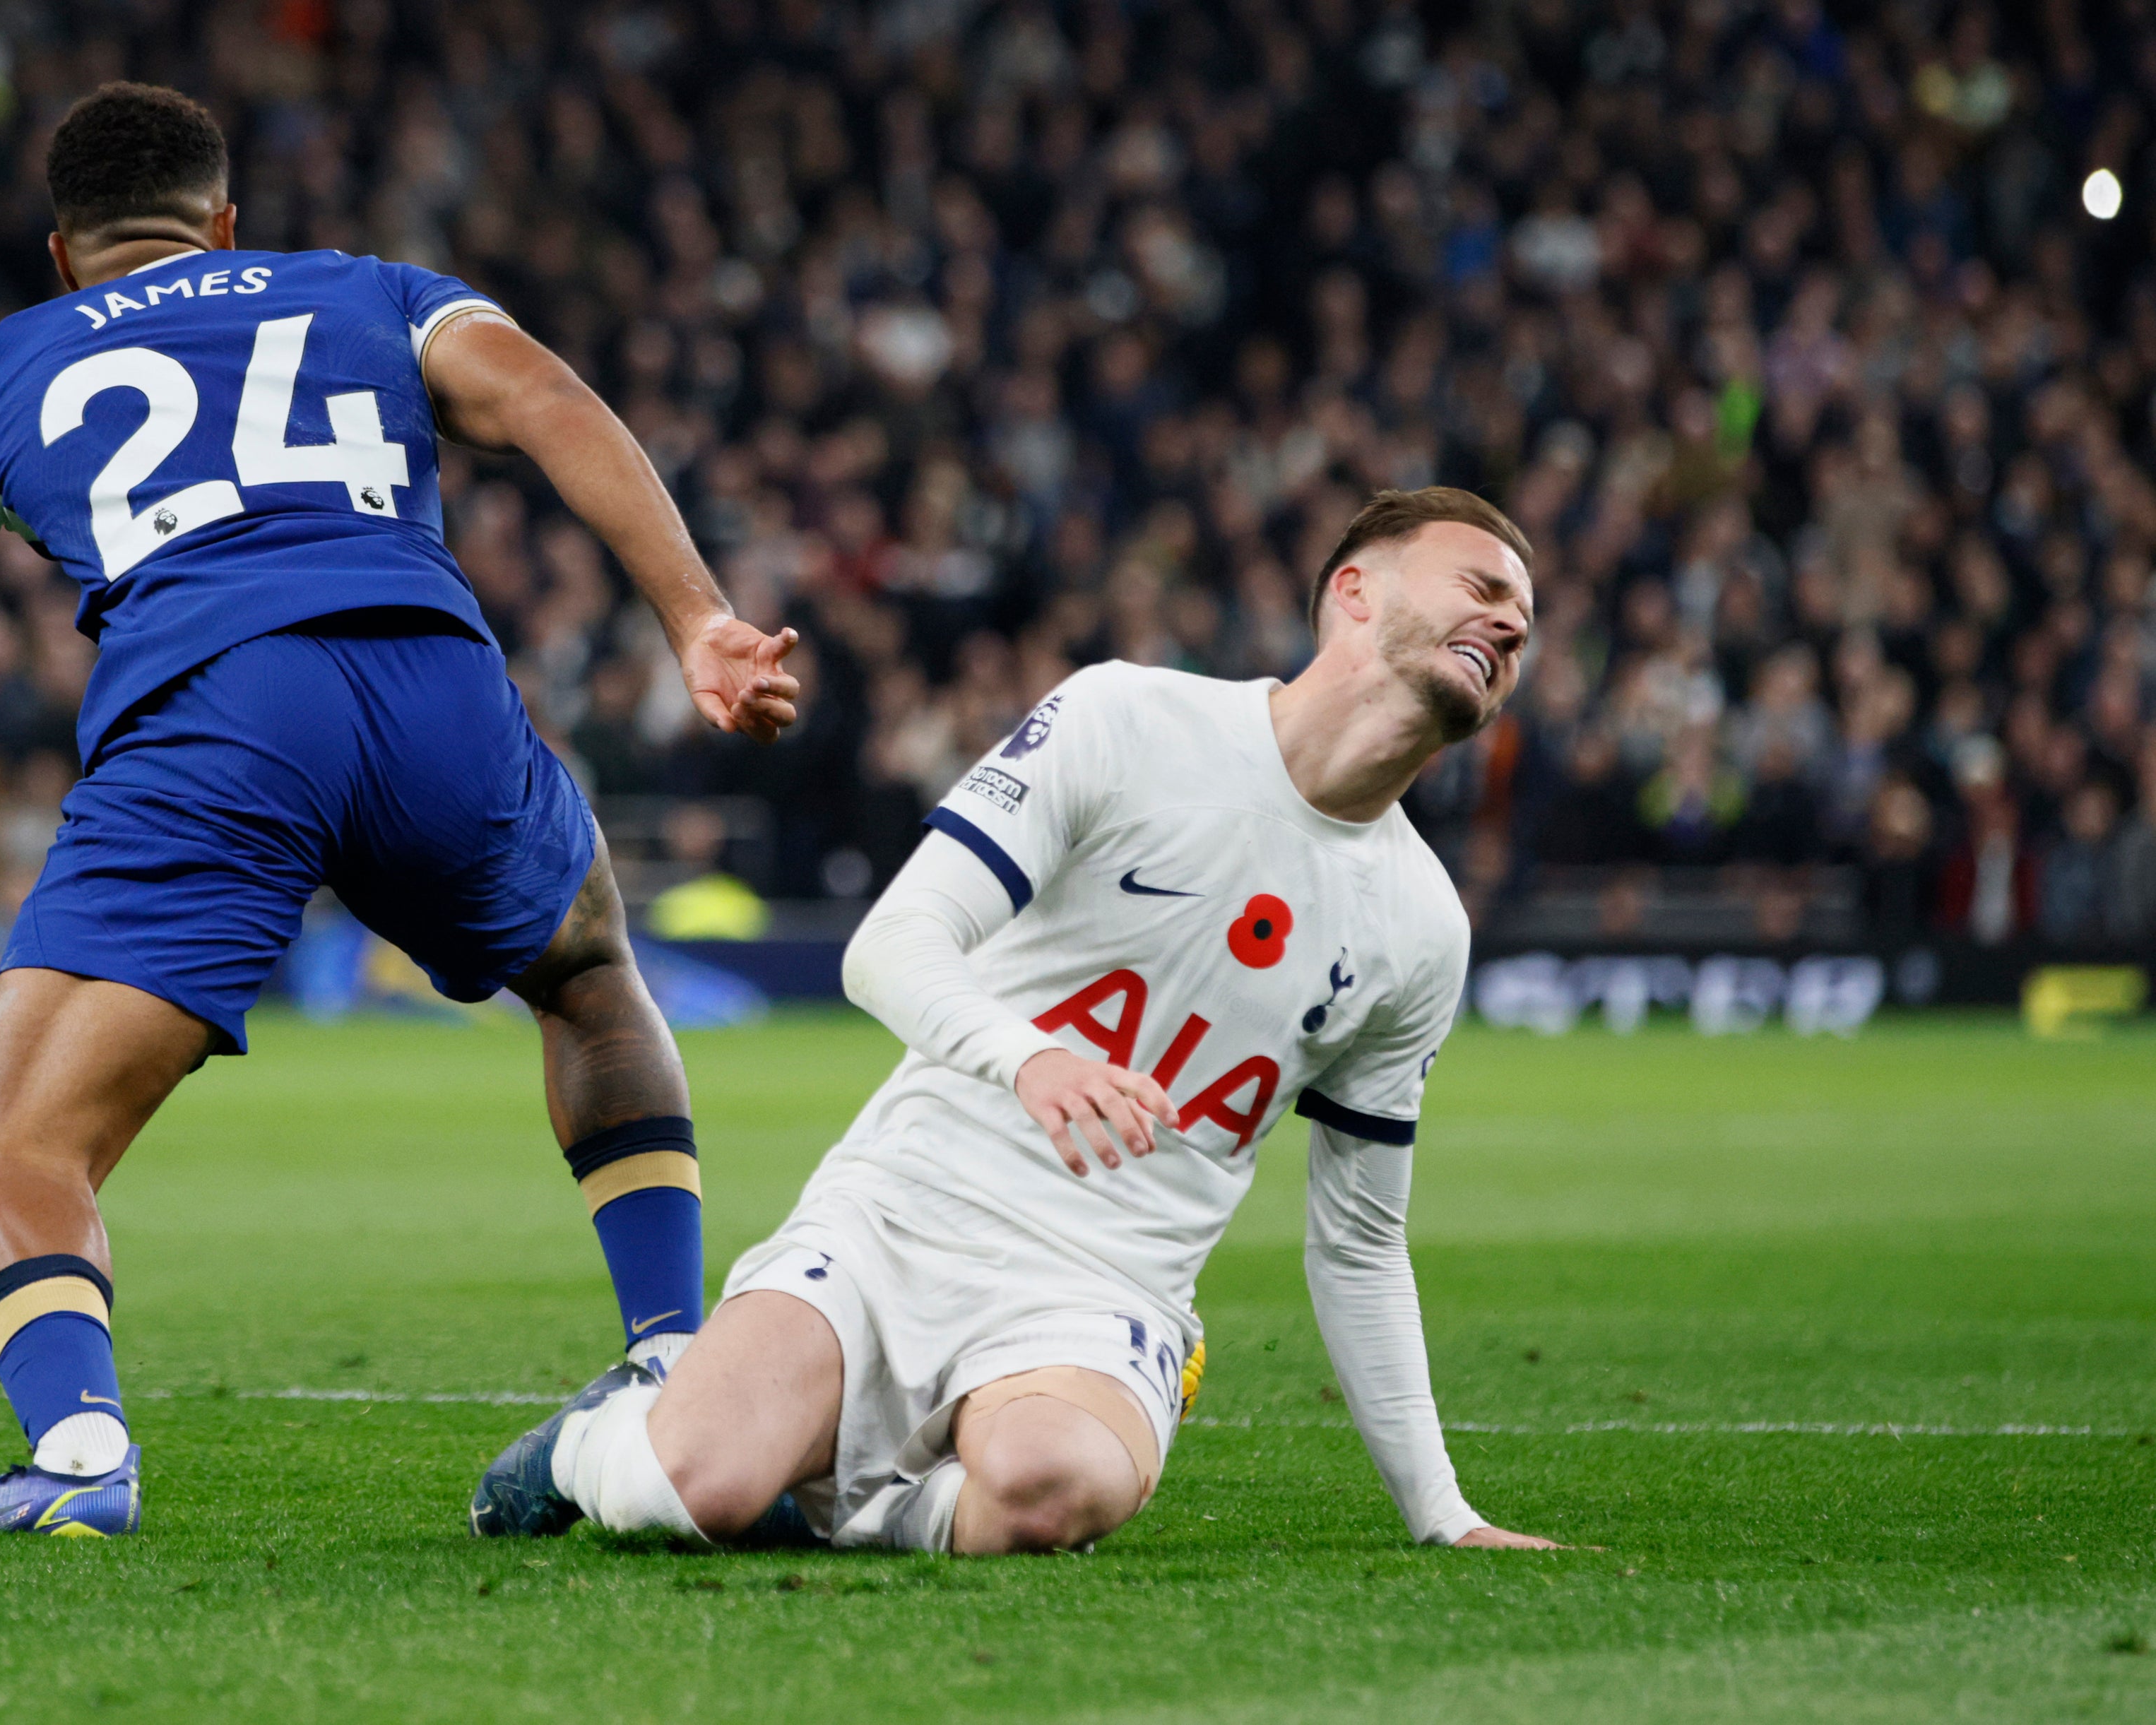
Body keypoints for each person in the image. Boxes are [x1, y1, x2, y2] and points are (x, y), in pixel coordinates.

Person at [0, 83, 798, 1537]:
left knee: (19, 1152)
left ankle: (79, 1461)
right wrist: (698, 618)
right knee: (587, 974)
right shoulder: (372, 293)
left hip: (218, 712)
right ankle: (671, 1356)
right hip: (429, 680)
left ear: (62, 252)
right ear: (221, 225)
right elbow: (544, 400)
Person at [471, 487, 1560, 1555]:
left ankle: (829, 1504)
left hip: (1106, 1290)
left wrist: (1443, 1512)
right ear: (1356, 592)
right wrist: (1031, 1056)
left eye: (1524, 621)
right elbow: (889, 947)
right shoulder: (1129, 718)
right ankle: (604, 1438)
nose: (1512, 624)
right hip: (902, 1212)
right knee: (685, 1485)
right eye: (1482, 586)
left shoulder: (1421, 924)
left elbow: (1360, 1240)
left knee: (1050, 1483)